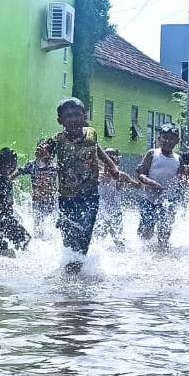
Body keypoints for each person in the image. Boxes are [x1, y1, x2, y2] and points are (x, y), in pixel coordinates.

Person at [46, 97, 135, 272]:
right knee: (70, 233)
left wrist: (112, 167)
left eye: (77, 115)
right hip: (67, 196)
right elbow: (44, 154)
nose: (73, 119)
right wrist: (43, 154)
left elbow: (98, 150)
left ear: (84, 117)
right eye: (68, 116)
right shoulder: (57, 141)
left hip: (90, 194)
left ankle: (78, 265)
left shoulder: (91, 133)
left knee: (86, 231)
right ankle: (70, 264)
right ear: (60, 121)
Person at [136, 124, 189, 250]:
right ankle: (141, 252)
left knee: (164, 231)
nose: (167, 141)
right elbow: (141, 174)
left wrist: (186, 183)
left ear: (177, 141)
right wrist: (152, 183)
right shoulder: (152, 154)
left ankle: (162, 254)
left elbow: (181, 181)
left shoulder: (178, 159)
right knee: (146, 229)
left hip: (168, 201)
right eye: (164, 138)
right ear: (158, 138)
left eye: (171, 139)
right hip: (148, 200)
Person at [0, 148, 32, 254]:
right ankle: (20, 259)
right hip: (3, 219)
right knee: (25, 238)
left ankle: (8, 258)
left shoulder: (3, 177)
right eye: (15, 163)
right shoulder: (1, 179)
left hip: (0, 219)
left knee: (1, 246)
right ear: (10, 164)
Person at [94, 148, 128, 249]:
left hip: (116, 213)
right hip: (100, 213)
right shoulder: (96, 175)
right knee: (97, 241)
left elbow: (137, 185)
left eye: (113, 156)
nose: (109, 159)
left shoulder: (121, 176)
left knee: (119, 241)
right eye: (107, 156)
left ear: (118, 159)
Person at [25, 141, 58, 236]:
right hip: (37, 200)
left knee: (52, 222)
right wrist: (8, 179)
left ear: (50, 154)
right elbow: (18, 171)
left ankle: (50, 239)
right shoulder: (32, 165)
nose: (39, 151)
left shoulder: (54, 167)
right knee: (38, 223)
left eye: (43, 149)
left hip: (51, 200)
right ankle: (39, 239)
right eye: (38, 148)